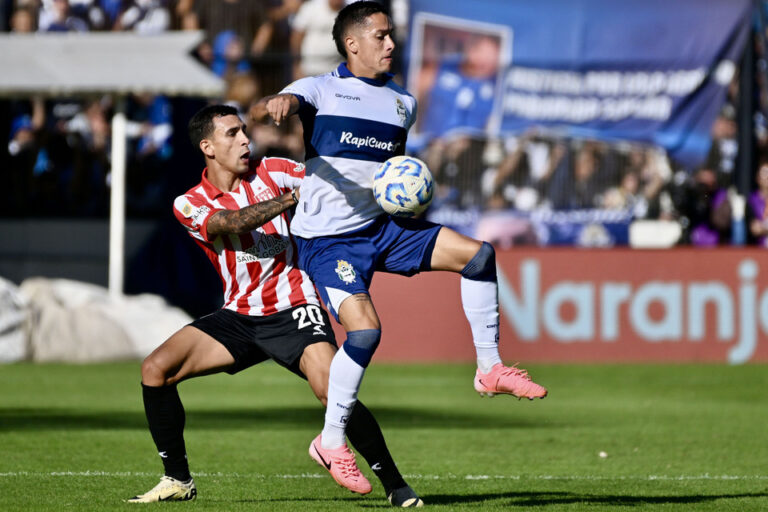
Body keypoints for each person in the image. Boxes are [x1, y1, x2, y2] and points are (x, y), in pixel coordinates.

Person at [251, 1, 547, 494]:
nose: (392, 44)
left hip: (381, 228)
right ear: (353, 43)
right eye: (382, 36)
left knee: (479, 256)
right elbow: (274, 104)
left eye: (392, 36)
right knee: (365, 335)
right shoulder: (318, 89)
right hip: (327, 241)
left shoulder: (402, 103)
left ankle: (489, 368)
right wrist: (274, 105)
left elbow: (388, 176)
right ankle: (330, 441)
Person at [128, 105, 423, 507]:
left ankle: (396, 485)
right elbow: (231, 223)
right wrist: (291, 200)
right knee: (155, 369)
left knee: (331, 388)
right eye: (232, 134)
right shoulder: (189, 202)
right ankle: (178, 479)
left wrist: (373, 178)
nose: (246, 139)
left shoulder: (276, 170)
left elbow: (327, 186)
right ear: (207, 147)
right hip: (240, 315)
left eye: (244, 131)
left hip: (295, 305)